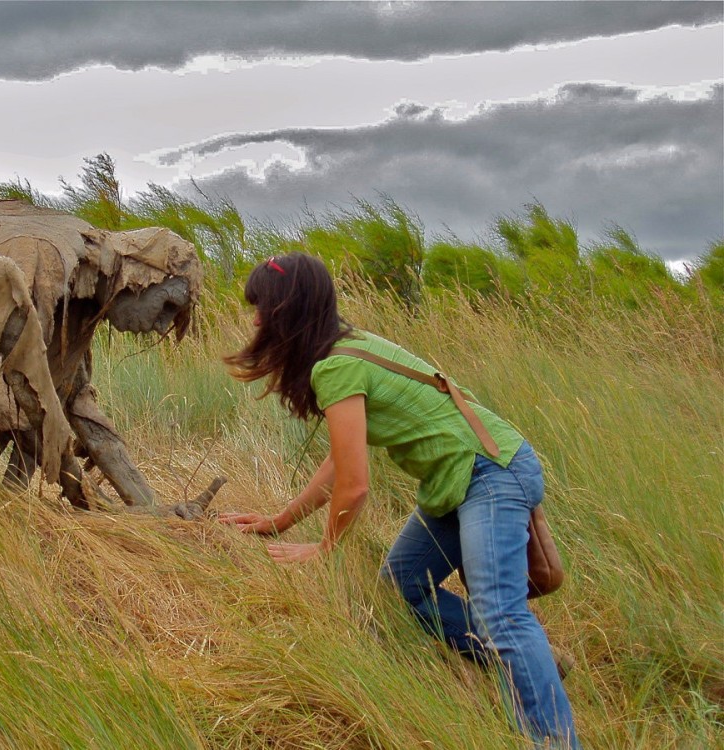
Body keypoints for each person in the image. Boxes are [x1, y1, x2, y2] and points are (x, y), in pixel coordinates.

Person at [218, 252, 581, 749]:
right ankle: (532, 663)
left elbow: (355, 486)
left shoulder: (337, 365)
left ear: (288, 310)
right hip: (456, 480)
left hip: (490, 472)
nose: (255, 319)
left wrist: (324, 548)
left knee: (501, 611)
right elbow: (339, 466)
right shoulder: (343, 349)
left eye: (262, 306)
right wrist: (280, 520)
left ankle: (554, 740)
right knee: (402, 587)